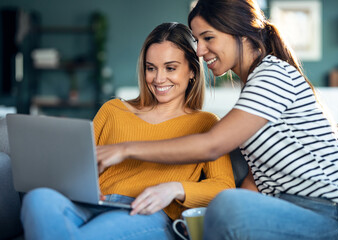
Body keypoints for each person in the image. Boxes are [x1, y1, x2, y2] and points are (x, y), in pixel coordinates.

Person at [96, 0, 338, 239]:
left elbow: (212, 145)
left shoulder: (273, 74)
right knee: (221, 208)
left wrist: (125, 148)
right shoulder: (253, 86)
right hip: (286, 209)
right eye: (197, 41)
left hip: (333, 215)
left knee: (226, 204)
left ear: (241, 33)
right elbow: (257, 179)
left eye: (208, 38)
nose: (200, 51)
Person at [20, 22, 236, 240]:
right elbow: (82, 165)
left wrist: (175, 188)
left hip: (147, 212)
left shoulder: (206, 124)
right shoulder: (113, 110)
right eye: (151, 68)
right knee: (37, 199)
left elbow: (224, 188)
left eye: (170, 68)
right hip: (94, 204)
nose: (158, 79)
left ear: (192, 71)